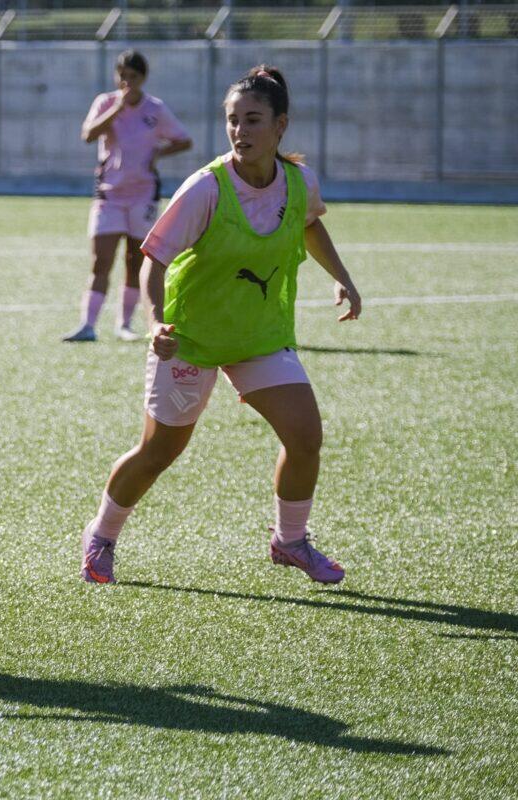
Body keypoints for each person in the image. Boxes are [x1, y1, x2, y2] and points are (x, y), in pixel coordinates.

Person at [78, 65, 362, 585]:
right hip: (191, 338)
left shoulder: (299, 182)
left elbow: (309, 221)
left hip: (260, 336)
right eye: (232, 121)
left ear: (280, 126)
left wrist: (342, 277)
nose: (240, 131)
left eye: (252, 120)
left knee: (305, 437)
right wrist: (157, 323)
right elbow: (153, 259)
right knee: (160, 450)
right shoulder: (206, 187)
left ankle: (290, 541)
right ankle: (102, 535)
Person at [64, 50, 191, 344]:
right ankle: (88, 325)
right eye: (122, 75)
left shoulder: (155, 109)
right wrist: (116, 110)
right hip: (109, 194)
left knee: (136, 260)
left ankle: (125, 325)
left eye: (133, 76)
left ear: (143, 78)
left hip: (143, 195)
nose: (126, 82)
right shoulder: (106, 103)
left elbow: (184, 140)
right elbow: (88, 134)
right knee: (101, 260)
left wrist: (159, 152)